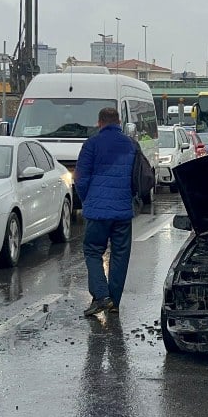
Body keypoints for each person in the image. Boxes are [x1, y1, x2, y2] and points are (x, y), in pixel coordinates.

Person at [75, 107, 135, 316]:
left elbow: (80, 179)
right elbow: (138, 177)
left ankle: (101, 296)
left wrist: (87, 201)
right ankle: (114, 303)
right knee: (120, 255)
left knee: (92, 251)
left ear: (99, 123)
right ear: (119, 122)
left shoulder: (91, 144)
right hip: (123, 212)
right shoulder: (131, 144)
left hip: (98, 213)